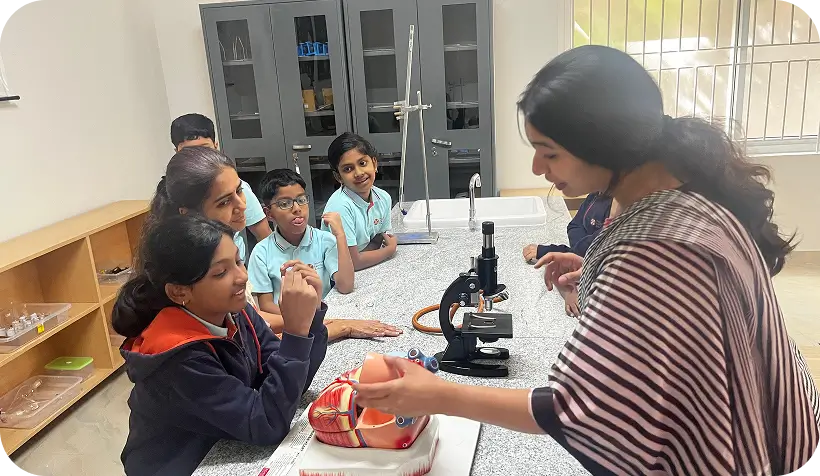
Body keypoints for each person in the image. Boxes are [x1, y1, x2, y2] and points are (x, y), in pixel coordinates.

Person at [352, 45, 820, 476]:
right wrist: (592, 269)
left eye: (548, 152)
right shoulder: (675, 189)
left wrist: (437, 395)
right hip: (785, 419)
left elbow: (575, 407)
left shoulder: (656, 252)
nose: (538, 168)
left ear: (606, 144)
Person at [114, 215, 327, 476]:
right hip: (183, 465)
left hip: (226, 441)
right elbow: (266, 424)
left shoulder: (236, 311)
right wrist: (295, 331)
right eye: (221, 272)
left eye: (238, 261)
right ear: (179, 292)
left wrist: (311, 320)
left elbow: (289, 385)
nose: (242, 276)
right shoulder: (177, 355)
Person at [248, 168, 401, 341]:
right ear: (268, 213)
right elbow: (266, 306)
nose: (297, 209)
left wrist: (340, 236)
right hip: (290, 329)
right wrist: (304, 320)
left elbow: (346, 285)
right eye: (285, 204)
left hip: (328, 322)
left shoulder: (324, 240)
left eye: (301, 200)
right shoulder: (261, 252)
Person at [144, 146, 279, 325]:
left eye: (239, 191)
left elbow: (250, 325)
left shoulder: (227, 242)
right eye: (224, 202)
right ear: (189, 214)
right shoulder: (190, 269)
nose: (242, 205)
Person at [170, 113, 272, 255]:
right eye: (189, 151)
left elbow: (265, 236)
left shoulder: (236, 187)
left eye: (205, 148)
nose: (200, 157)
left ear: (215, 146)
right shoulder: (173, 194)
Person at [523, 192, 613, 317]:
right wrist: (576, 252)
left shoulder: (623, 208)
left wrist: (550, 251)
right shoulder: (596, 195)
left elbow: (597, 245)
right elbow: (574, 226)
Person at [321, 132, 396, 270]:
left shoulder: (383, 198)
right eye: (348, 169)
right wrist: (389, 251)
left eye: (362, 163)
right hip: (336, 279)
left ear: (374, 163)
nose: (359, 173)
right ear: (338, 177)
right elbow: (352, 263)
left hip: (367, 269)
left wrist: (363, 255)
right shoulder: (340, 207)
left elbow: (381, 238)